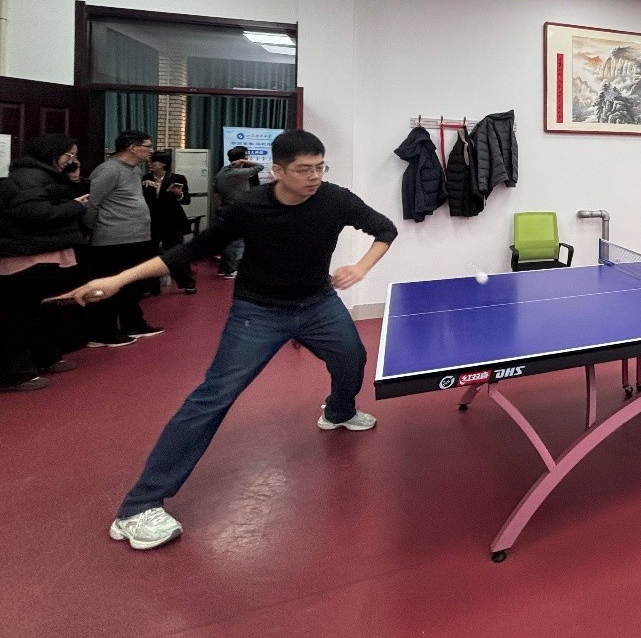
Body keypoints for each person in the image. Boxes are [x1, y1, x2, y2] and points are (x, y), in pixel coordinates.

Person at [56, 129, 397, 549]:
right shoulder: (250, 206)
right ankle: (138, 507)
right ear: (277, 171)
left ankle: (339, 411)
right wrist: (119, 279)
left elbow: (385, 229)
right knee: (213, 396)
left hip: (318, 303)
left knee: (352, 358)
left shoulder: (335, 199)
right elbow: (191, 251)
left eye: (319, 167)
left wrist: (360, 268)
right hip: (258, 311)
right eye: (303, 169)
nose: (314, 177)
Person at [0, 134, 89, 391]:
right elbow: (35, 214)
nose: (72, 160)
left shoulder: (43, 175)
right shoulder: (26, 178)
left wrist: (74, 183)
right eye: (69, 155)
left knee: (42, 312)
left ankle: (44, 357)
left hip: (43, 252)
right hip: (26, 256)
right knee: (21, 316)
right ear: (50, 153)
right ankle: (17, 373)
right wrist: (75, 206)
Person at [84, 130, 162, 345]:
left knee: (132, 285)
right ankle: (103, 333)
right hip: (112, 239)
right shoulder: (108, 170)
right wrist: (89, 230)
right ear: (132, 148)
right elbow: (91, 203)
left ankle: (133, 324)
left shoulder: (135, 171)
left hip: (136, 237)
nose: (151, 151)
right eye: (147, 146)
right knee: (108, 286)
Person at [143, 151, 196, 294]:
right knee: (150, 254)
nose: (150, 164)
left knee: (176, 253)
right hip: (151, 222)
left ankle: (188, 283)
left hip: (172, 222)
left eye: (154, 162)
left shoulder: (177, 178)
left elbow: (187, 200)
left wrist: (179, 194)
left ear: (163, 164)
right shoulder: (145, 178)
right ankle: (151, 287)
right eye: (150, 162)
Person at [211, 146, 261, 278]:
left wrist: (219, 207)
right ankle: (230, 269)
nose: (248, 158)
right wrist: (245, 162)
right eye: (246, 156)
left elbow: (215, 190)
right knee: (235, 241)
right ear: (241, 158)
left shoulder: (222, 171)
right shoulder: (237, 173)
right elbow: (259, 167)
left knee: (228, 240)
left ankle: (224, 268)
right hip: (238, 209)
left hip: (226, 208)